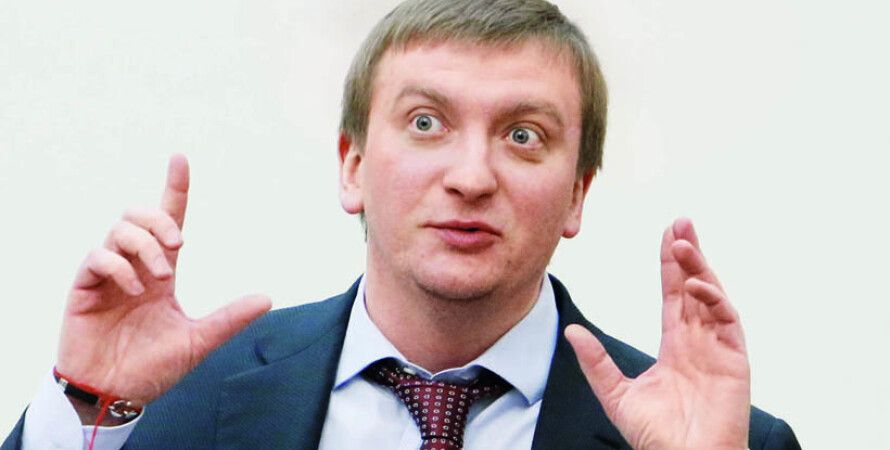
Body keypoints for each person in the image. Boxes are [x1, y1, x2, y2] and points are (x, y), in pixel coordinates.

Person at [3, 0, 801, 449]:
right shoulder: (174, 406)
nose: (471, 176)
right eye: (426, 123)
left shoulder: (715, 440)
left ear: (577, 195)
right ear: (351, 164)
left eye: (524, 135)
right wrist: (85, 405)